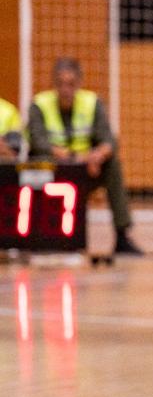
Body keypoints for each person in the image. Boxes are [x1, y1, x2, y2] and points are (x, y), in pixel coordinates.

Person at [28, 57, 143, 255]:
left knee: (113, 164)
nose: (65, 90)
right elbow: (38, 143)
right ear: (54, 84)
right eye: (60, 84)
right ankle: (40, 237)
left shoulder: (91, 102)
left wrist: (97, 156)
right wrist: (73, 157)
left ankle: (122, 235)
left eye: (70, 84)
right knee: (38, 163)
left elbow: (109, 141)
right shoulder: (39, 104)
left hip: (85, 171)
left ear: (79, 83)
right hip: (55, 169)